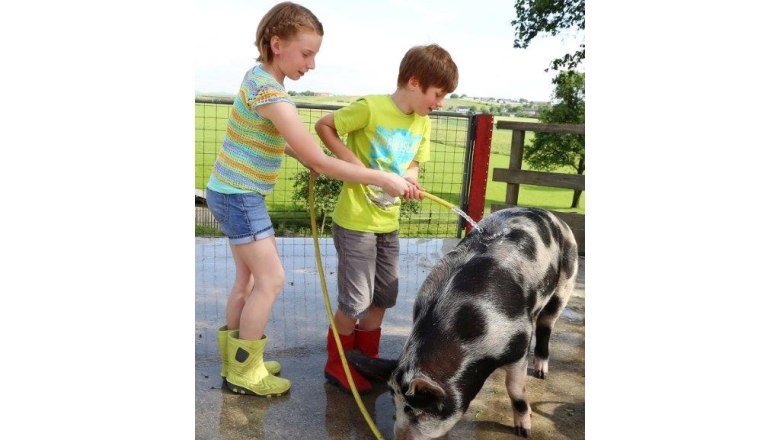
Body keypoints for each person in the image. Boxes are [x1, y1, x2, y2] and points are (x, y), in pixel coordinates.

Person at [206, 1, 413, 398]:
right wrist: (380, 177)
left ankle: (238, 362)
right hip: (240, 197)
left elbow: (265, 139)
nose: (312, 64)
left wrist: (300, 155)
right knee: (271, 280)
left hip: (230, 190)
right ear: (276, 43)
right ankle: (244, 375)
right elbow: (319, 157)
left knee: (247, 281)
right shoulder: (272, 94)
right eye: (307, 53)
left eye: (314, 54)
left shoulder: (258, 79)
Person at [315, 44, 459, 393]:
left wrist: (410, 178)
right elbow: (324, 126)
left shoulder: (422, 123)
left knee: (383, 297)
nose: (440, 103)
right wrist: (355, 166)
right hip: (356, 223)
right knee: (355, 301)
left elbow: (412, 163)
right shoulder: (371, 108)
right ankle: (339, 367)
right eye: (438, 94)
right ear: (414, 82)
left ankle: (367, 364)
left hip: (388, 224)